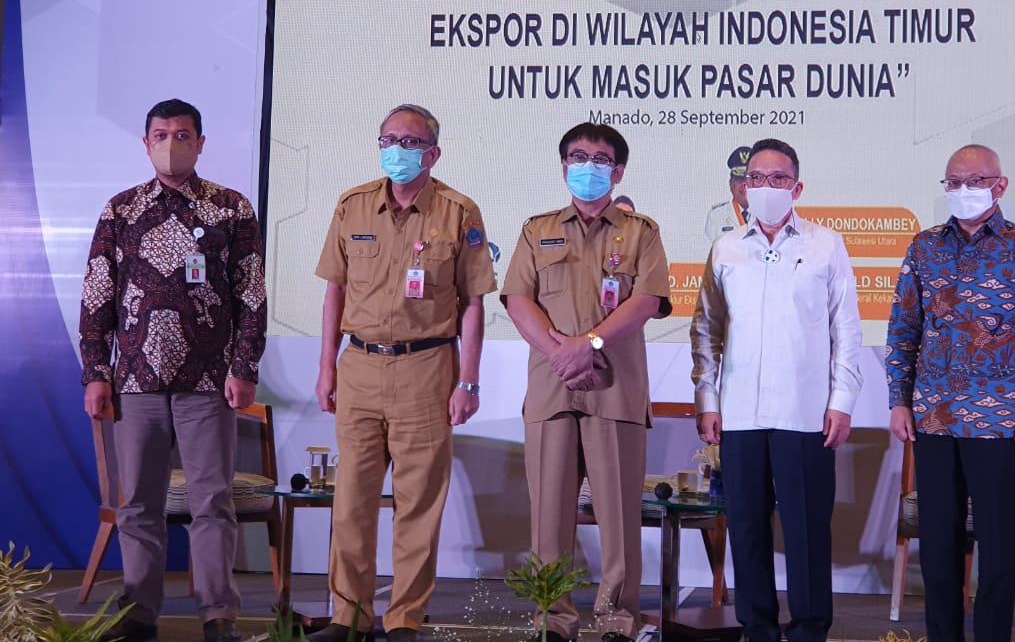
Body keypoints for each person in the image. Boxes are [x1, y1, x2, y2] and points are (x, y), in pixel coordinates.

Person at [79, 99, 266, 642]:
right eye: (160, 135)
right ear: (145, 144)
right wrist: (96, 371)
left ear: (200, 143)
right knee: (138, 505)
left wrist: (244, 366)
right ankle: (138, 613)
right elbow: (97, 295)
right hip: (136, 382)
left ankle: (218, 615)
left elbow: (251, 294)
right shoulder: (121, 210)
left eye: (182, 135)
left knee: (212, 503)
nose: (171, 144)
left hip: (209, 382)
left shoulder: (230, 208)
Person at [309, 104, 496, 642]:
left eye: (410, 142)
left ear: (433, 153)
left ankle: (405, 619)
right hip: (359, 367)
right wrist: (326, 367)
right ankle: (348, 616)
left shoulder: (459, 211)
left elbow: (473, 303)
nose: (397, 150)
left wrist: (468, 381)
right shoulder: (353, 205)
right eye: (388, 139)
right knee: (351, 502)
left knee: (418, 506)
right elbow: (335, 290)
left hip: (427, 368)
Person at [885, 144, 1015, 642]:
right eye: (954, 182)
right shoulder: (924, 247)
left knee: (997, 544)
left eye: (975, 181)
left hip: (1001, 419)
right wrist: (898, 399)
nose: (963, 190)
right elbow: (903, 329)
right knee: (937, 544)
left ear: (999, 185)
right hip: (934, 417)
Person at [502, 123, 672, 642]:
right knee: (548, 517)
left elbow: (647, 301)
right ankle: (552, 620)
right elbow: (518, 300)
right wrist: (562, 352)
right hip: (552, 387)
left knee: (618, 516)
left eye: (599, 159)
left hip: (614, 388)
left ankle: (618, 620)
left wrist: (589, 343)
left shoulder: (642, 232)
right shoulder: (537, 230)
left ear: (617, 172)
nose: (587, 167)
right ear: (563, 166)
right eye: (577, 157)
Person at [690, 137, 863, 642]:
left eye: (778, 178)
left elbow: (846, 329)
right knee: (746, 526)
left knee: (807, 528)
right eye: (757, 178)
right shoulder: (725, 248)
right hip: (739, 412)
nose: (766, 187)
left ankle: (809, 627)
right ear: (743, 187)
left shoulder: (826, 244)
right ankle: (758, 627)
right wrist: (707, 400)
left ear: (797, 187)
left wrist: (842, 401)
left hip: (805, 413)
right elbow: (706, 329)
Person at [703, 145, 752, 240]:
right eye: (740, 179)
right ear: (731, 184)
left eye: (749, 180)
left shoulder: (768, 217)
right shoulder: (716, 217)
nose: (744, 185)